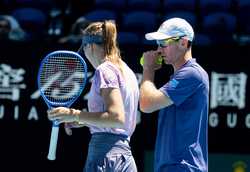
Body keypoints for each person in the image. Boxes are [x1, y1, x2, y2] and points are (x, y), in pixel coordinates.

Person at [48, 20, 139, 172]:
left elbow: (116, 118)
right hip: (125, 159)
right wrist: (81, 120)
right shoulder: (126, 70)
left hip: (105, 157)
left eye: (84, 49)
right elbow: (119, 121)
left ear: (88, 46)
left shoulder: (105, 69)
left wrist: (75, 114)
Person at [139, 17, 209, 172]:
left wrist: (148, 69)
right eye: (158, 44)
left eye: (164, 43)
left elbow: (146, 104)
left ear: (183, 43)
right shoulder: (183, 75)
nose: (158, 49)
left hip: (182, 167)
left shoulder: (192, 74)